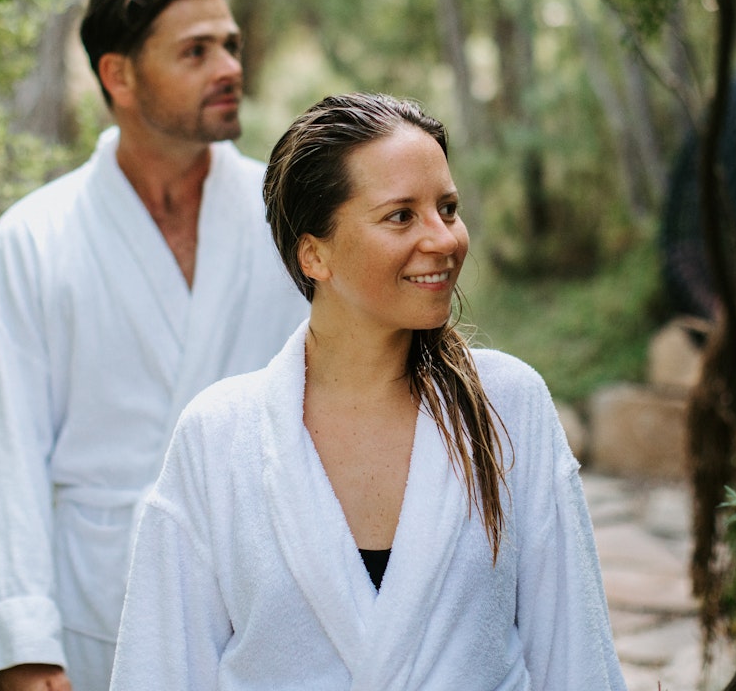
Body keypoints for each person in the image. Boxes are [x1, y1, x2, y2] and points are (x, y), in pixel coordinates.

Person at [110, 92, 628, 691]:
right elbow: (161, 668)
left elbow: (574, 655)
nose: (444, 239)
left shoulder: (509, 406)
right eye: (401, 216)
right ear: (314, 253)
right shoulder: (219, 437)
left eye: (449, 208)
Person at [0, 0, 308, 691]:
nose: (229, 66)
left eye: (230, 44)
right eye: (196, 51)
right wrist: (25, 643)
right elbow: (4, 451)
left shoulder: (292, 220)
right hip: (98, 606)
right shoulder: (36, 235)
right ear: (120, 76)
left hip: (273, 600)